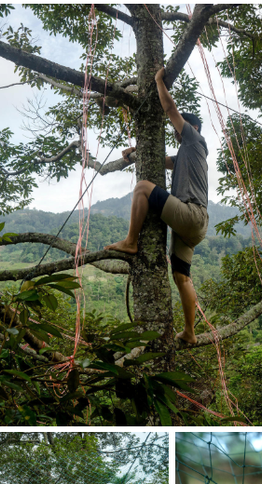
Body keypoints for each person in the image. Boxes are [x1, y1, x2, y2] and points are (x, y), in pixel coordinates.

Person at [105, 66, 209, 345]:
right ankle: (190, 332)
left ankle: (130, 241)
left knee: (142, 188)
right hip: (194, 226)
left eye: (181, 129)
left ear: (193, 128)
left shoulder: (195, 139)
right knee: (181, 277)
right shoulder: (189, 155)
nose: (177, 133)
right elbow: (162, 159)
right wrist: (134, 153)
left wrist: (159, 80)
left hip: (190, 213)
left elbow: (170, 109)